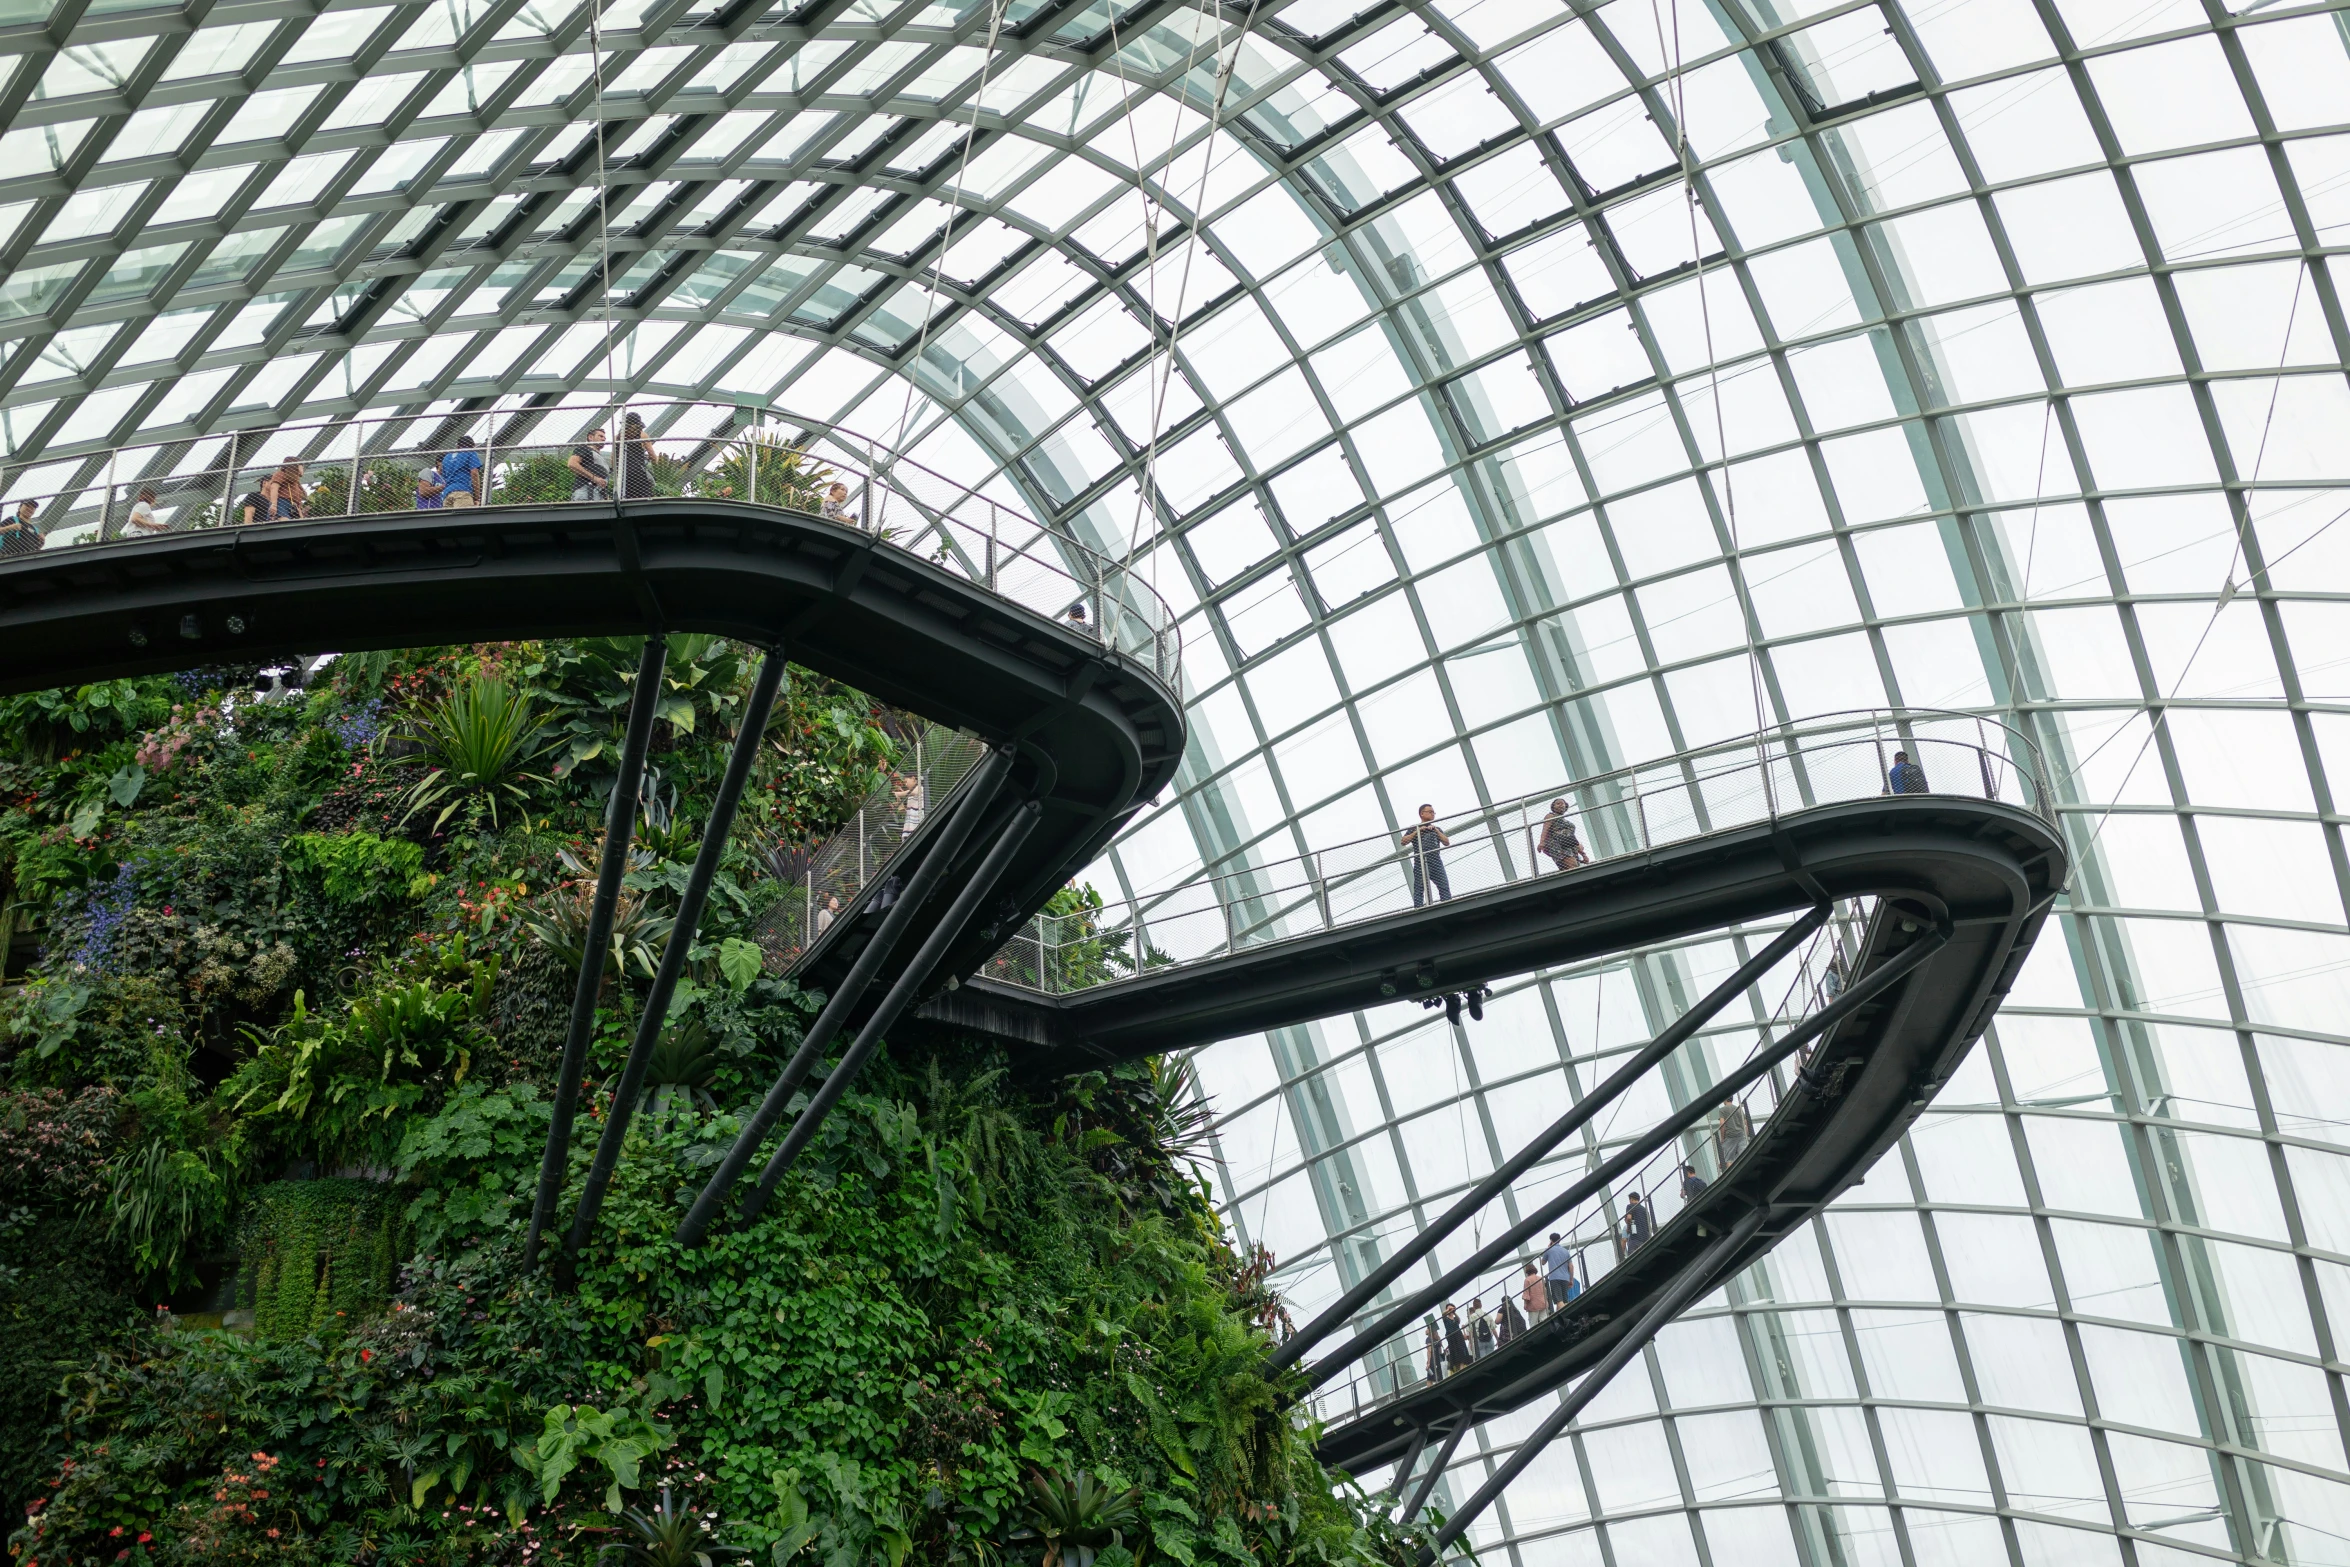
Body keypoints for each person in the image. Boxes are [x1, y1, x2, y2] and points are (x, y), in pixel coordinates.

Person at [1401, 803, 1451, 906]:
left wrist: (1436, 830)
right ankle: (1418, 908)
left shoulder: (1436, 829)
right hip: (1421, 861)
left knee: (1444, 885)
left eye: (1434, 812)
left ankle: (1447, 905)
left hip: (1436, 860)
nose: (1433, 814)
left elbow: (1446, 842)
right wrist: (1418, 831)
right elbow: (1403, 841)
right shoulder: (1414, 828)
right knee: (1419, 888)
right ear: (1422, 814)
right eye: (1430, 812)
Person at [1538, 799, 1589, 871]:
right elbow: (1545, 829)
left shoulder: (1566, 821)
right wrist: (1542, 842)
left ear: (1566, 806)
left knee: (1574, 867)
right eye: (1558, 803)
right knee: (1572, 866)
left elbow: (1572, 837)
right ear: (1553, 807)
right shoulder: (1551, 816)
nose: (1561, 805)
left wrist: (1583, 854)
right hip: (1558, 846)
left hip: (1570, 846)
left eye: (1562, 803)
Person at [568, 429, 611, 501]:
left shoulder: (601, 457)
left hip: (598, 494)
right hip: (585, 491)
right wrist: (594, 478)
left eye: (604, 438)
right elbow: (572, 464)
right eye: (600, 436)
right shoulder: (585, 449)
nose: (603, 439)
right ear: (591, 437)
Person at [620, 412, 654, 500]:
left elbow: (613, 457)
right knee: (644, 498)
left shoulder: (618, 437)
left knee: (625, 498)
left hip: (623, 473)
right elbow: (653, 456)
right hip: (638, 474)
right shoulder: (642, 435)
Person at [439, 439, 484, 507]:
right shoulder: (470, 452)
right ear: (473, 446)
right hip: (463, 492)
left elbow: (440, 473)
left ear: (457, 446)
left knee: (448, 517)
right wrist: (477, 497)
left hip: (447, 494)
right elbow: (474, 472)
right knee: (464, 517)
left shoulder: (447, 457)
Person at [1541, 1232, 1573, 1311]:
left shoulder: (1549, 1250)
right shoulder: (1566, 1251)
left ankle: (1564, 1316)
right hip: (1565, 1278)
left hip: (1554, 1278)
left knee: (1558, 1301)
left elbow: (1543, 1263)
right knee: (1565, 1301)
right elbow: (1571, 1266)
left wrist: (1548, 1247)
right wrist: (1571, 1279)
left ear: (1551, 1240)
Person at [1717, 1099, 1751, 1165]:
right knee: (1744, 1156)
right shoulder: (1738, 1108)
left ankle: (1731, 1173)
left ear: (1725, 1099)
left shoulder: (1722, 1110)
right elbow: (1746, 1123)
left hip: (1730, 1136)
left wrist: (1722, 1138)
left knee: (1729, 1160)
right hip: (1741, 1135)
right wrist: (1746, 1135)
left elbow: (1722, 1124)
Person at [1441, 1304, 1472, 1375]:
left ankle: (1461, 1371)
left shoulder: (1455, 1319)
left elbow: (1459, 1320)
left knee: (1461, 1355)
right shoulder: (1446, 1319)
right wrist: (1448, 1310)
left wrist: (1454, 1312)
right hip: (1452, 1339)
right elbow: (1443, 1315)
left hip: (1459, 1337)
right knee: (1455, 1357)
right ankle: (1459, 1371)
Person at [1423, 1318, 1442, 1384]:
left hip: (1432, 1361)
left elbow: (1429, 1351)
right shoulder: (1437, 1338)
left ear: (1429, 1330)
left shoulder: (1428, 1339)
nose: (1426, 1330)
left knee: (1429, 1379)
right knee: (1438, 1377)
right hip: (1438, 1360)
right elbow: (1440, 1350)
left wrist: (1428, 1362)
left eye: (1427, 1328)